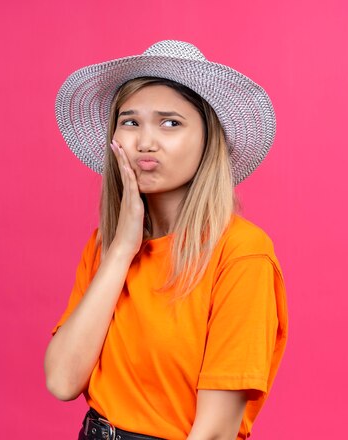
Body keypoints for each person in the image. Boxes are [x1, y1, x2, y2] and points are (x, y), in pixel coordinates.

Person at [44, 40, 288, 440]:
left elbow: (214, 433)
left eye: (170, 122)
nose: (145, 142)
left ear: (210, 141)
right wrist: (121, 250)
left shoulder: (242, 254)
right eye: (130, 121)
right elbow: (62, 380)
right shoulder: (108, 246)